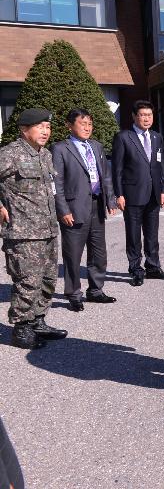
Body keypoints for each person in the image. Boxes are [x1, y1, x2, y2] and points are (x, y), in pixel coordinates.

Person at [0, 108, 67, 349]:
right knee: (27, 282)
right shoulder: (10, 154)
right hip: (23, 234)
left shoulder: (45, 155)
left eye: (48, 127)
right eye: (40, 127)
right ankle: (21, 329)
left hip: (48, 230)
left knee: (48, 280)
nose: (45, 131)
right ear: (24, 129)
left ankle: (38, 321)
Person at [52, 109, 118, 312]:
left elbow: (105, 175)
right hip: (73, 208)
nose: (87, 128)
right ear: (69, 126)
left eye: (90, 123)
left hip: (96, 206)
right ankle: (73, 294)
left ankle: (96, 290)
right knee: (73, 254)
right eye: (83, 124)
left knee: (99, 252)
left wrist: (111, 200)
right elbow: (56, 182)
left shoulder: (96, 146)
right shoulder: (60, 149)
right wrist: (63, 209)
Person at [112, 100, 164, 287]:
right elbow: (117, 169)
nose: (146, 119)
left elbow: (160, 166)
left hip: (154, 193)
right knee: (134, 234)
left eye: (149, 115)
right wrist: (119, 194)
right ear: (134, 117)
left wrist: (163, 190)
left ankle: (153, 267)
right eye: (143, 115)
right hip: (132, 194)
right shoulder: (123, 137)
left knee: (153, 234)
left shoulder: (157, 137)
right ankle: (136, 269)